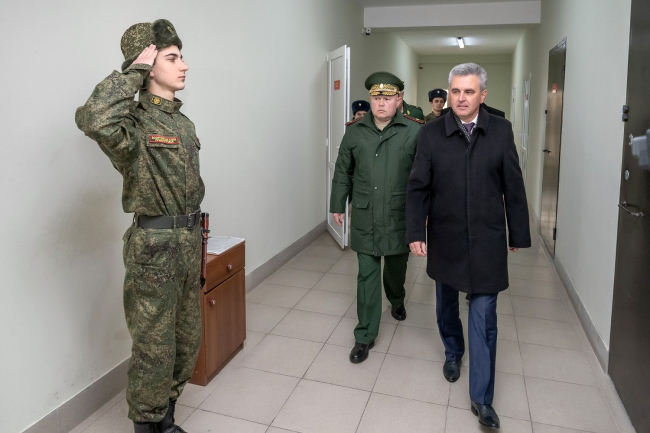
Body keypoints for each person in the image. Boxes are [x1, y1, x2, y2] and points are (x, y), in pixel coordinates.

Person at [75, 20, 204, 433]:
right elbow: (93, 119)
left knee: (187, 340)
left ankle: (166, 417)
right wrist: (132, 73)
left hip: (188, 243)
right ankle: (147, 425)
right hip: (155, 248)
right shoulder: (132, 123)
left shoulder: (183, 124)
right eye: (172, 57)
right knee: (154, 347)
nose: (184, 65)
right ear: (148, 65)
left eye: (182, 56)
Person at [406, 63, 530, 429]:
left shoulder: (501, 130)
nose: (461, 98)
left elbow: (513, 184)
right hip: (445, 235)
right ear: (449, 93)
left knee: (484, 316)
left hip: (487, 237)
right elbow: (418, 187)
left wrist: (517, 233)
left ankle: (482, 398)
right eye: (456, 91)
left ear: (483, 95)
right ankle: (452, 351)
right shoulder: (431, 133)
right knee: (446, 304)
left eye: (469, 91)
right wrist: (415, 232)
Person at [330, 72, 423, 364]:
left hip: (399, 216)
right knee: (367, 275)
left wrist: (425, 214)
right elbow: (343, 170)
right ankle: (365, 335)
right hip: (365, 214)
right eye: (376, 97)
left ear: (399, 100)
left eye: (387, 98)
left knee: (395, 268)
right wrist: (338, 204)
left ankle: (396, 299)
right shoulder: (354, 131)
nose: (381, 103)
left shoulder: (414, 131)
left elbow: (424, 177)